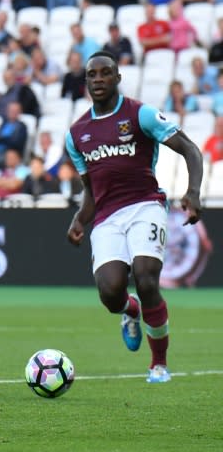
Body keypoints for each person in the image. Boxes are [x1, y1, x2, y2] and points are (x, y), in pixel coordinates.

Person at [65, 51, 203, 384]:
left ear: (117, 78)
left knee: (145, 277)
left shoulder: (140, 114)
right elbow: (91, 188)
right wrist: (80, 219)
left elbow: (189, 148)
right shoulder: (77, 133)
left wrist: (193, 191)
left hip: (145, 206)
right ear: (86, 82)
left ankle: (158, 364)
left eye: (105, 73)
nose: (98, 79)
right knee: (111, 292)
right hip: (107, 218)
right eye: (92, 75)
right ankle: (130, 312)